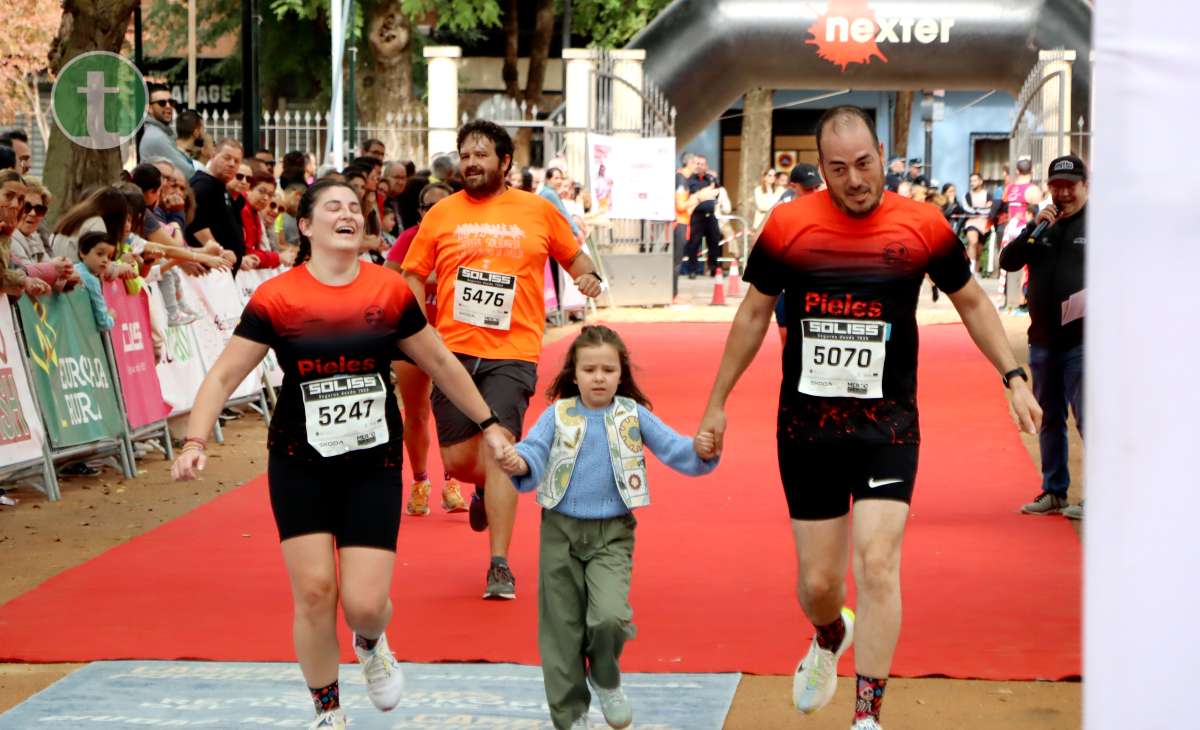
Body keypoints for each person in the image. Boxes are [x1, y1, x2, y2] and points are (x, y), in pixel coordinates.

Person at [698, 106, 1041, 730]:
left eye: (863, 164)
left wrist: (1012, 377)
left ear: (882, 154)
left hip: (888, 425)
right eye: (837, 168)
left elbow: (971, 301)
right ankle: (830, 633)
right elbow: (752, 314)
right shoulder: (789, 225)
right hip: (807, 428)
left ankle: (867, 718)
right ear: (821, 170)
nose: (854, 179)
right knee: (819, 584)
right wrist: (717, 401)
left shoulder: (923, 224)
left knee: (879, 562)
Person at [171, 178, 512, 730]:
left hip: (371, 462)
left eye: (355, 207)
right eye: (333, 207)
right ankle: (328, 714)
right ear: (305, 227)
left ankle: (372, 642)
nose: (348, 213)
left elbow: (442, 364)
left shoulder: (389, 291)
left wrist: (490, 424)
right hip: (298, 460)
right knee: (313, 591)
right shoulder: (276, 297)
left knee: (364, 603)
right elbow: (224, 374)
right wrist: (194, 440)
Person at [401, 120, 603, 600]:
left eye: (481, 155)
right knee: (460, 459)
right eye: (465, 155)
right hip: (451, 351)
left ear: (505, 162)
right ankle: (481, 491)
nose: (471, 163)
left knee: (500, 449)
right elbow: (413, 273)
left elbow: (576, 259)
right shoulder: (442, 214)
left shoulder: (536, 210)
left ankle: (498, 564)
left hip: (513, 351)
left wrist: (590, 278)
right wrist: (414, 327)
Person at [498, 325, 719, 730]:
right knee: (561, 632)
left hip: (613, 534)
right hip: (559, 532)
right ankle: (572, 717)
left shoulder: (632, 415)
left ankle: (605, 676)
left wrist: (701, 450)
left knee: (609, 618)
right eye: (589, 369)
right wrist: (519, 462)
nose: (598, 377)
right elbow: (532, 450)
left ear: (621, 375)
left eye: (607, 369)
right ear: (574, 373)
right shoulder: (557, 414)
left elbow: (673, 447)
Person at [999, 155, 1087, 521]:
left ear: (1085, 186)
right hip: (1043, 339)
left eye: (1070, 186)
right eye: (1057, 186)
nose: (1063, 193)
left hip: (1085, 341)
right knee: (1048, 417)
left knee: (1088, 419)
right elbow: (1008, 261)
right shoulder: (1043, 226)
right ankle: (1053, 490)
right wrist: (1034, 229)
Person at [383, 182, 470, 516]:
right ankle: (420, 482)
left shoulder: (465, 238)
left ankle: (453, 482)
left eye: (441, 204)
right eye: (425, 207)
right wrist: (427, 278)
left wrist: (425, 275)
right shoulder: (409, 239)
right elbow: (390, 280)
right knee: (417, 413)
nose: (432, 212)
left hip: (456, 336)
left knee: (453, 411)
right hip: (412, 337)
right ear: (418, 211)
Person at [772, 164, 823, 346]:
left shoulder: (825, 207)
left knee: (811, 336)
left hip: (815, 283)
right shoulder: (782, 209)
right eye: (808, 188)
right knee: (785, 333)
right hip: (785, 283)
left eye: (816, 187)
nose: (813, 191)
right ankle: (789, 372)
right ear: (793, 186)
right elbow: (760, 239)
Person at [186, 138, 244, 271]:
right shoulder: (202, 185)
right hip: (209, 270)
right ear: (213, 155)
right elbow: (197, 225)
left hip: (223, 269)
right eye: (227, 158)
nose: (231, 164)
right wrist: (220, 252)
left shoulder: (221, 187)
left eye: (236, 161)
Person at [73, 231, 118, 331]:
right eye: (100, 254)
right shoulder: (91, 280)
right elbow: (103, 323)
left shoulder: (74, 268)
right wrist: (111, 317)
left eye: (109, 257)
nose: (105, 260)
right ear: (83, 253)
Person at [685, 155, 722, 277]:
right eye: (698, 164)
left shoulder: (710, 178)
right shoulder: (691, 179)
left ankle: (713, 268)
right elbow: (697, 194)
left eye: (702, 164)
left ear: (706, 166)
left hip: (710, 215)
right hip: (697, 216)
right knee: (694, 243)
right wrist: (707, 192)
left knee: (714, 241)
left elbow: (716, 192)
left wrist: (706, 192)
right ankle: (692, 270)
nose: (700, 166)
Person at [962, 173, 994, 273]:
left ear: (980, 181)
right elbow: (967, 210)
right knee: (973, 241)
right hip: (971, 222)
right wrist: (981, 209)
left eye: (975, 180)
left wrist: (977, 209)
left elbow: (989, 209)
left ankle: (975, 273)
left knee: (979, 251)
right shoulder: (967, 195)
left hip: (984, 224)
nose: (972, 183)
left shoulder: (988, 194)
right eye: (971, 181)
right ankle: (970, 270)